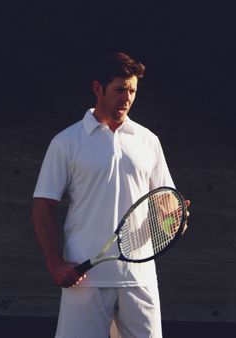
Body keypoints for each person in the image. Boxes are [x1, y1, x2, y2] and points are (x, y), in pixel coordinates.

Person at [32, 52, 186, 338]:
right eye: (119, 90)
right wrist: (55, 263)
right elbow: (42, 208)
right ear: (97, 89)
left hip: (139, 279)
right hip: (85, 279)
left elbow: (164, 200)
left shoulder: (149, 141)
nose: (126, 98)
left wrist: (173, 217)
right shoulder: (66, 142)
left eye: (132, 91)